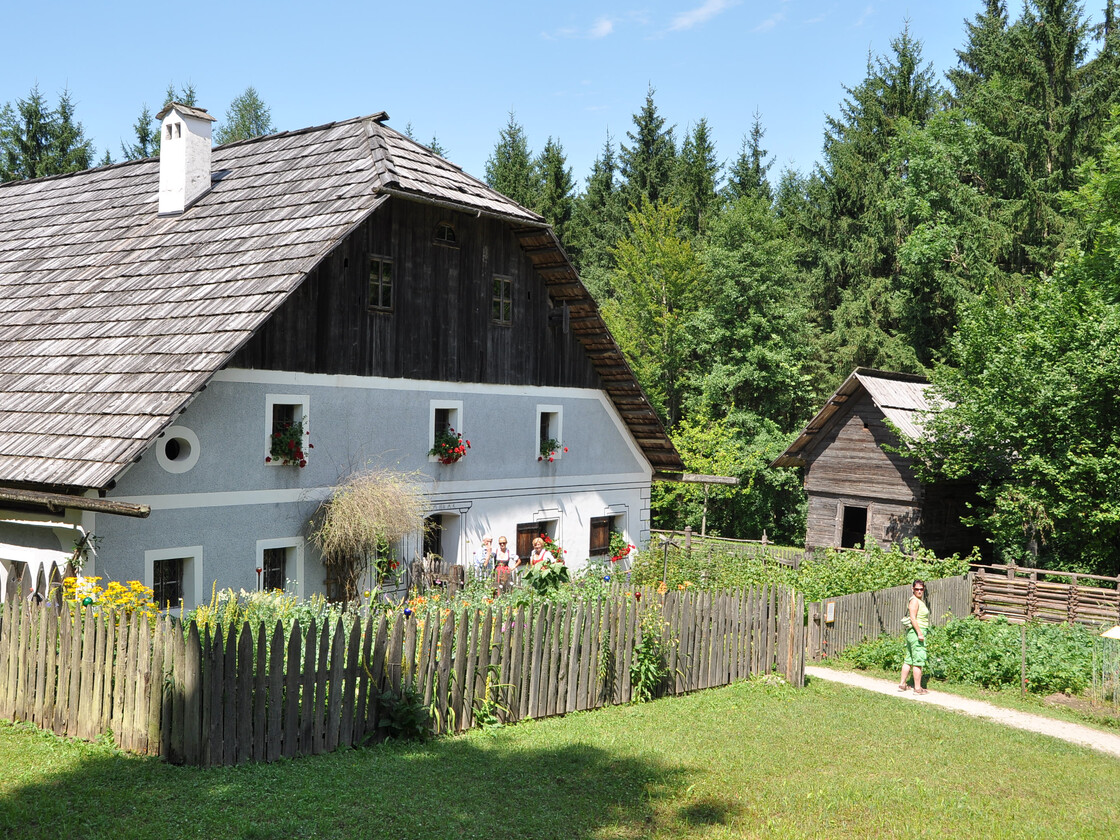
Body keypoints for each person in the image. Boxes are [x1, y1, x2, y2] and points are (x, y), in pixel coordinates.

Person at [899, 580, 931, 694]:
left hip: (913, 633)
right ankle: (917, 688)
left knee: (909, 659)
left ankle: (902, 684)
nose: (919, 591)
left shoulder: (917, 601)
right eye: (917, 589)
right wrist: (919, 633)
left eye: (921, 589)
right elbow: (913, 618)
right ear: (912, 589)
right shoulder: (914, 601)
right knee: (918, 660)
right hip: (917, 632)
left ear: (924, 589)